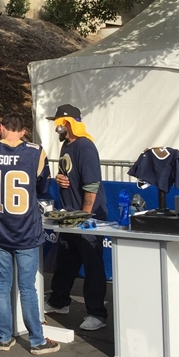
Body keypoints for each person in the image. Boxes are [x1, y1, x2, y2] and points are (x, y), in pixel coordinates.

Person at [0, 114, 60, 354]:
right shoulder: (36, 152)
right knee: (28, 288)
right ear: (23, 131)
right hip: (26, 229)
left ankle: (4, 337)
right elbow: (43, 185)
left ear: (1, 128)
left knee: (2, 286)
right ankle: (36, 340)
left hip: (0, 228)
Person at [44, 104, 109, 332]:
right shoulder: (67, 145)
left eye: (58, 123)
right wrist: (60, 179)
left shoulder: (85, 146)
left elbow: (92, 184)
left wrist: (85, 215)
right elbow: (68, 174)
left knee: (92, 264)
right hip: (70, 214)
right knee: (66, 258)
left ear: (67, 122)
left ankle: (97, 313)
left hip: (84, 216)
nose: (56, 127)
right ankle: (59, 301)